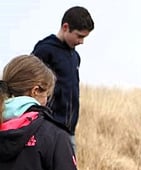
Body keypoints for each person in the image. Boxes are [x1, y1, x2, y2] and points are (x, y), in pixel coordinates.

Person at [32, 6, 95, 151]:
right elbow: (31, 86)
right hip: (48, 128)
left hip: (68, 131)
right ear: (65, 27)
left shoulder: (75, 56)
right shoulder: (45, 50)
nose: (82, 42)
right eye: (79, 36)